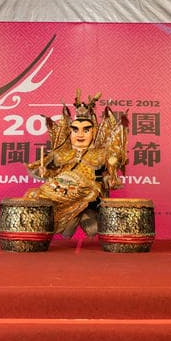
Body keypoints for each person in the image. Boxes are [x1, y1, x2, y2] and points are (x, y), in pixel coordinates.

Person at [23, 91, 128, 238]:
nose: (80, 135)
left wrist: (109, 180)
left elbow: (106, 176)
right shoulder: (62, 153)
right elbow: (55, 174)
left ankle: (83, 215)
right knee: (34, 195)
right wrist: (46, 173)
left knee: (92, 228)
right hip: (60, 191)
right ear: (70, 132)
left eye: (86, 130)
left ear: (93, 132)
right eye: (75, 130)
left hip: (88, 196)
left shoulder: (101, 154)